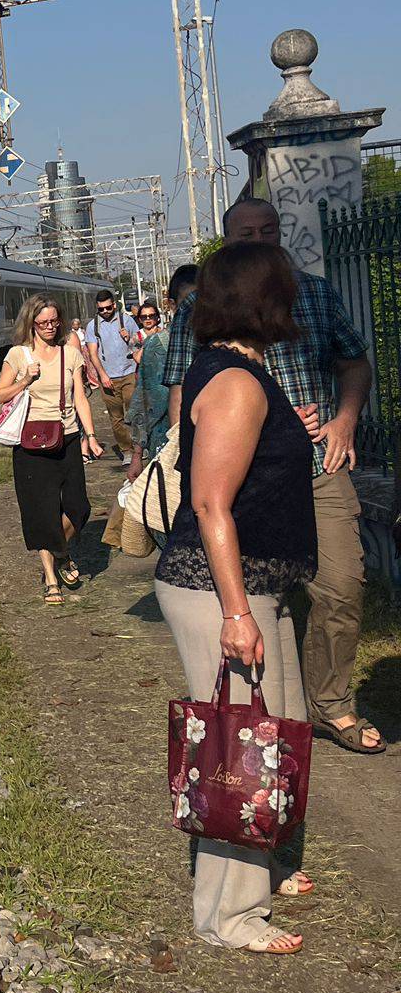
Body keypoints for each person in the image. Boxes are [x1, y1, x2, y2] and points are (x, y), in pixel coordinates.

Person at [166, 197, 381, 752]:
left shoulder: (300, 304)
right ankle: (242, 829)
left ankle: (329, 707)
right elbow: (211, 487)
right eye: (247, 233)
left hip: (303, 488)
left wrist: (341, 421)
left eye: (269, 230)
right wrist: (235, 612)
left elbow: (354, 361)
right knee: (245, 744)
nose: (260, 240)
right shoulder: (224, 353)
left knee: (337, 593)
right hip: (242, 519)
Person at [155, 242, 315, 952]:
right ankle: (228, 915)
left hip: (252, 582)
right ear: (264, 298)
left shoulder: (239, 373)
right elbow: (212, 504)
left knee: (277, 727)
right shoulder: (237, 383)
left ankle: (263, 860)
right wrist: (237, 612)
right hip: (222, 587)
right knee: (238, 744)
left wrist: (292, 436)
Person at [0, 296, 105, 602]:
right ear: (31, 323)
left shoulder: (71, 354)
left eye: (54, 321)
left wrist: (90, 435)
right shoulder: (18, 355)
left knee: (78, 508)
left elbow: (80, 397)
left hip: (66, 438)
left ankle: (61, 551)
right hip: (31, 443)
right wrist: (25, 380)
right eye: (43, 323)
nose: (50, 327)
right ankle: (51, 577)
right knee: (41, 512)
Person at [127, 265, 198, 466]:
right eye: (188, 302)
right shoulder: (157, 345)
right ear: (172, 305)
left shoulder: (223, 343)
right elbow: (144, 398)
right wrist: (136, 455)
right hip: (165, 445)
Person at [82, 289, 143, 457]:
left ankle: (139, 445)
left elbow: (138, 347)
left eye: (108, 308)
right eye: (100, 309)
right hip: (108, 377)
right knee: (116, 417)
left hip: (129, 372)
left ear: (114, 305)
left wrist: (128, 339)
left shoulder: (127, 320)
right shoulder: (92, 326)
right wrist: (102, 375)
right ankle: (126, 450)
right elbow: (93, 353)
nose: (105, 312)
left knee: (134, 411)